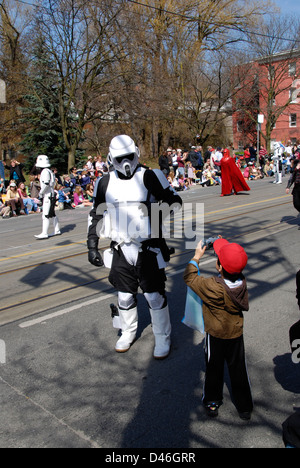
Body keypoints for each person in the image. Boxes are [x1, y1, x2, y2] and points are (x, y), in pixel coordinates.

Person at [87, 134, 182, 359]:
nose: (126, 163)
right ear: (111, 158)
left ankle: (162, 336)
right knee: (124, 296)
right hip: (120, 248)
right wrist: (92, 243)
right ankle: (127, 332)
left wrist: (154, 211)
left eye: (130, 156)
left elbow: (175, 202)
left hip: (148, 247)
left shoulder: (150, 176)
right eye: (121, 158)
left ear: (137, 153)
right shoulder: (104, 182)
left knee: (154, 296)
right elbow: (96, 214)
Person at [184, 238, 253, 419]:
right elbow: (233, 260)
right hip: (236, 333)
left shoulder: (211, 286)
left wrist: (196, 257)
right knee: (238, 369)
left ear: (220, 267)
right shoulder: (241, 282)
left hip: (215, 334)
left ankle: (212, 402)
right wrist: (222, 244)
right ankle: (244, 406)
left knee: (213, 368)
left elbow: (190, 277)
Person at [34, 155, 61, 240]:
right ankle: (57, 229)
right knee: (52, 213)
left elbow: (46, 184)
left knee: (45, 215)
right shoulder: (49, 171)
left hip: (48, 195)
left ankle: (44, 233)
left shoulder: (45, 172)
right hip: (51, 194)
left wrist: (40, 194)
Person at [286, 159, 300, 229]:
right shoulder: (296, 165)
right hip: (297, 188)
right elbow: (292, 177)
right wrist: (288, 187)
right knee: (296, 204)